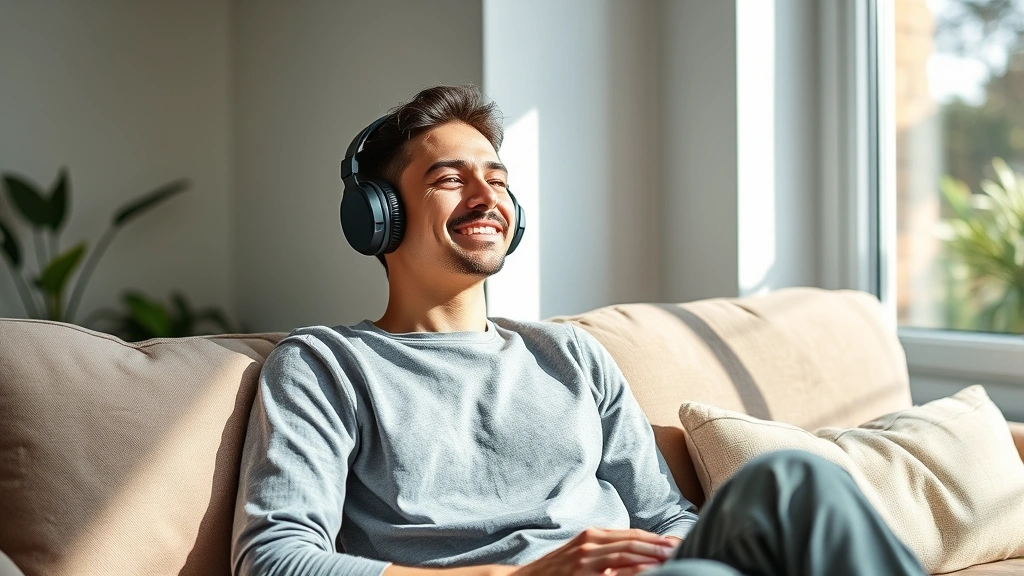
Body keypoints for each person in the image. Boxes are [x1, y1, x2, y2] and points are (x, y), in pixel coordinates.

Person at [231, 85, 926, 576]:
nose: (486, 197)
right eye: (451, 179)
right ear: (377, 218)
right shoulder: (327, 365)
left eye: (498, 181)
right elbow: (275, 559)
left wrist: (660, 555)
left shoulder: (569, 356)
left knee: (790, 478)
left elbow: (664, 514)